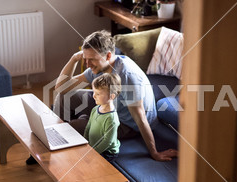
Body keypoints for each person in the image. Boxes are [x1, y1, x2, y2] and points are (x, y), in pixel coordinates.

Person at [54, 30, 177, 162]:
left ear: (107, 56)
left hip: (127, 124)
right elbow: (61, 88)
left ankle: (61, 141)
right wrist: (74, 59)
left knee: (74, 127)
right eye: (85, 59)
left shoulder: (126, 75)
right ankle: (53, 136)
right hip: (108, 102)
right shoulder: (98, 67)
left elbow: (140, 118)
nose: (87, 65)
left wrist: (155, 152)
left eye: (91, 60)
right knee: (63, 97)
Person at [84, 73, 121, 162]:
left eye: (98, 93)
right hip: (92, 147)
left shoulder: (111, 119)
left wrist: (92, 152)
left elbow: (107, 142)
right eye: (94, 92)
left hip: (107, 152)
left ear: (111, 96)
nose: (93, 96)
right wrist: (84, 142)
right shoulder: (95, 109)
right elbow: (88, 127)